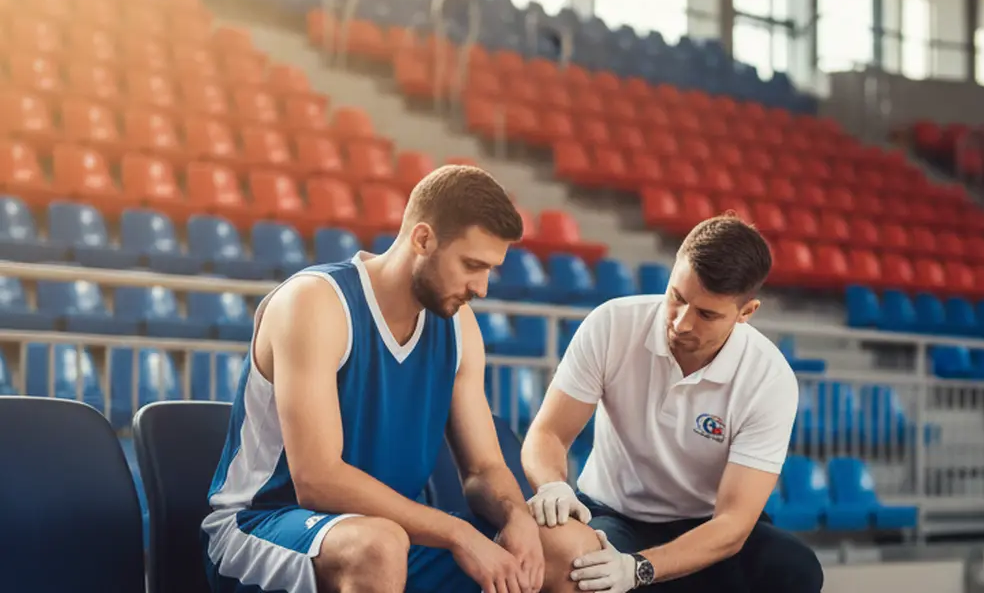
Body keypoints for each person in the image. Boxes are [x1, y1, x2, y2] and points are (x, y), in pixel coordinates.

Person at [200, 165, 600, 593]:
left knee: (571, 549)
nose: (482, 288)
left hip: (395, 533)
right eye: (471, 265)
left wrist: (516, 516)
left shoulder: (459, 325)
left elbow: (483, 468)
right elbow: (318, 480)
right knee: (379, 545)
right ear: (422, 238)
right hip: (264, 526)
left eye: (490, 270)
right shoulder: (314, 303)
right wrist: (457, 532)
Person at [519, 215, 824, 593]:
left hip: (706, 527)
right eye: (677, 297)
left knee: (796, 568)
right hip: (614, 514)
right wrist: (553, 485)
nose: (681, 323)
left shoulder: (768, 378)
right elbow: (548, 433)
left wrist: (638, 570)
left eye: (707, 314)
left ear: (746, 313)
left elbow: (732, 524)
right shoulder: (612, 324)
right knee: (574, 561)